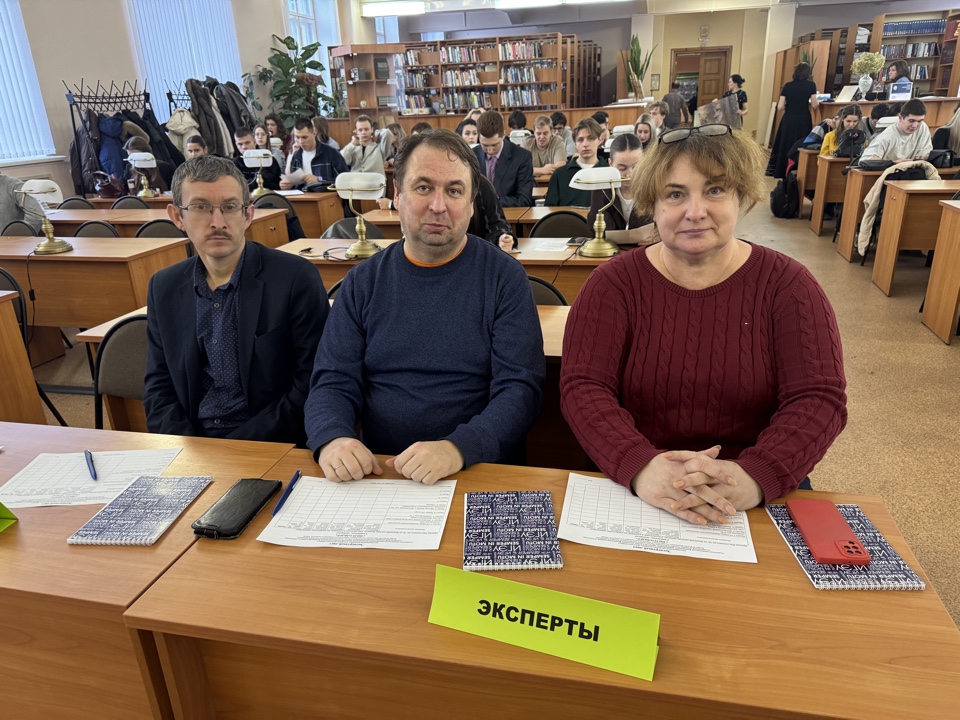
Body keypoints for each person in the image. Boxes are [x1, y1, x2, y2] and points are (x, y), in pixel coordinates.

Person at [560, 124, 847, 525]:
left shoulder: (789, 286)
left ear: (741, 196)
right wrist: (640, 465)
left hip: (754, 494)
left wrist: (754, 475)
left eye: (715, 190)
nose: (695, 212)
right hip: (635, 489)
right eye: (675, 194)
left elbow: (818, 399)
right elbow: (583, 388)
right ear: (652, 205)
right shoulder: (611, 285)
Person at [305, 129, 544, 484]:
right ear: (397, 195)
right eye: (423, 187)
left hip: (475, 469)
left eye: (454, 191)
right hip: (380, 472)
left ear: (472, 203)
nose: (438, 205)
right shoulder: (362, 282)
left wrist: (457, 448)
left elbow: (521, 389)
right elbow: (332, 380)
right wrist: (332, 437)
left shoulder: (505, 278)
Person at [144, 155, 327, 444]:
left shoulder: (294, 279)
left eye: (229, 207)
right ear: (177, 217)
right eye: (201, 207)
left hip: (271, 442)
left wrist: (234, 449)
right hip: (192, 445)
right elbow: (159, 386)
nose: (218, 223)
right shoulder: (163, 287)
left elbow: (311, 382)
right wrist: (189, 448)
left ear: (248, 215)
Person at [586, 133, 652, 245]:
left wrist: (659, 235)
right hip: (610, 251)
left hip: (646, 250)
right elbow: (596, 230)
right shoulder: (601, 187)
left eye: (636, 167)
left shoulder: (652, 186)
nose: (629, 174)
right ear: (610, 164)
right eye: (622, 168)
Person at [474, 109, 534, 207]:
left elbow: (524, 200)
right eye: (485, 145)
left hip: (507, 213)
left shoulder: (522, 157)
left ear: (504, 134)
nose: (490, 151)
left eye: (494, 145)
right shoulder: (471, 156)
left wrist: (493, 201)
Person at [770, 62, 819, 178]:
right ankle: (798, 169)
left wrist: (790, 106)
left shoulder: (787, 86)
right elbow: (814, 105)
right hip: (803, 118)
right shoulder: (811, 85)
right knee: (801, 143)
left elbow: (780, 106)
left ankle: (782, 169)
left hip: (789, 118)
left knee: (785, 142)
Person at [545, 117, 608, 207]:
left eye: (590, 138)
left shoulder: (609, 172)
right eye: (580, 140)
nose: (585, 144)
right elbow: (550, 210)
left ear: (600, 140)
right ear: (575, 143)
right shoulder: (559, 175)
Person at [281, 117, 349, 191]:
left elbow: (345, 180)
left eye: (304, 137)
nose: (301, 141)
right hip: (303, 196)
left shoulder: (331, 153)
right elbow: (295, 184)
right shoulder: (296, 156)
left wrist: (319, 179)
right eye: (297, 137)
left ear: (314, 133)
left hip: (325, 196)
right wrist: (288, 185)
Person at [859, 98, 932, 164]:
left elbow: (926, 153)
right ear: (900, 118)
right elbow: (865, 160)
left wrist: (924, 157)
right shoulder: (887, 136)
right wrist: (893, 163)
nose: (915, 126)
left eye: (919, 121)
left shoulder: (922, 127)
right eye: (911, 121)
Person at [232, 127, 281, 191]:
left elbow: (265, 180)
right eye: (240, 144)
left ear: (255, 142)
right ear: (236, 145)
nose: (244, 147)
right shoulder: (235, 163)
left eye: (247, 143)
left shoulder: (267, 158)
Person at [530, 115, 566, 179]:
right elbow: (521, 169)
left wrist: (534, 170)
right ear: (534, 132)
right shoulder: (526, 143)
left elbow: (561, 166)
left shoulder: (558, 141)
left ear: (551, 132)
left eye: (545, 133)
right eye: (538, 134)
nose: (542, 137)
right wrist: (543, 170)